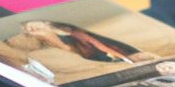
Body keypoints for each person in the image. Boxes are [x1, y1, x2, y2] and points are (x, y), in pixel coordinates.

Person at [22, 19, 151, 64]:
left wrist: (123, 57)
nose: (32, 29)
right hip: (90, 53)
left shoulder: (65, 31)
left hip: (98, 48)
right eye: (29, 29)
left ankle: (128, 58)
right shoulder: (47, 40)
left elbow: (96, 43)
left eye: (32, 25)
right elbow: (70, 50)